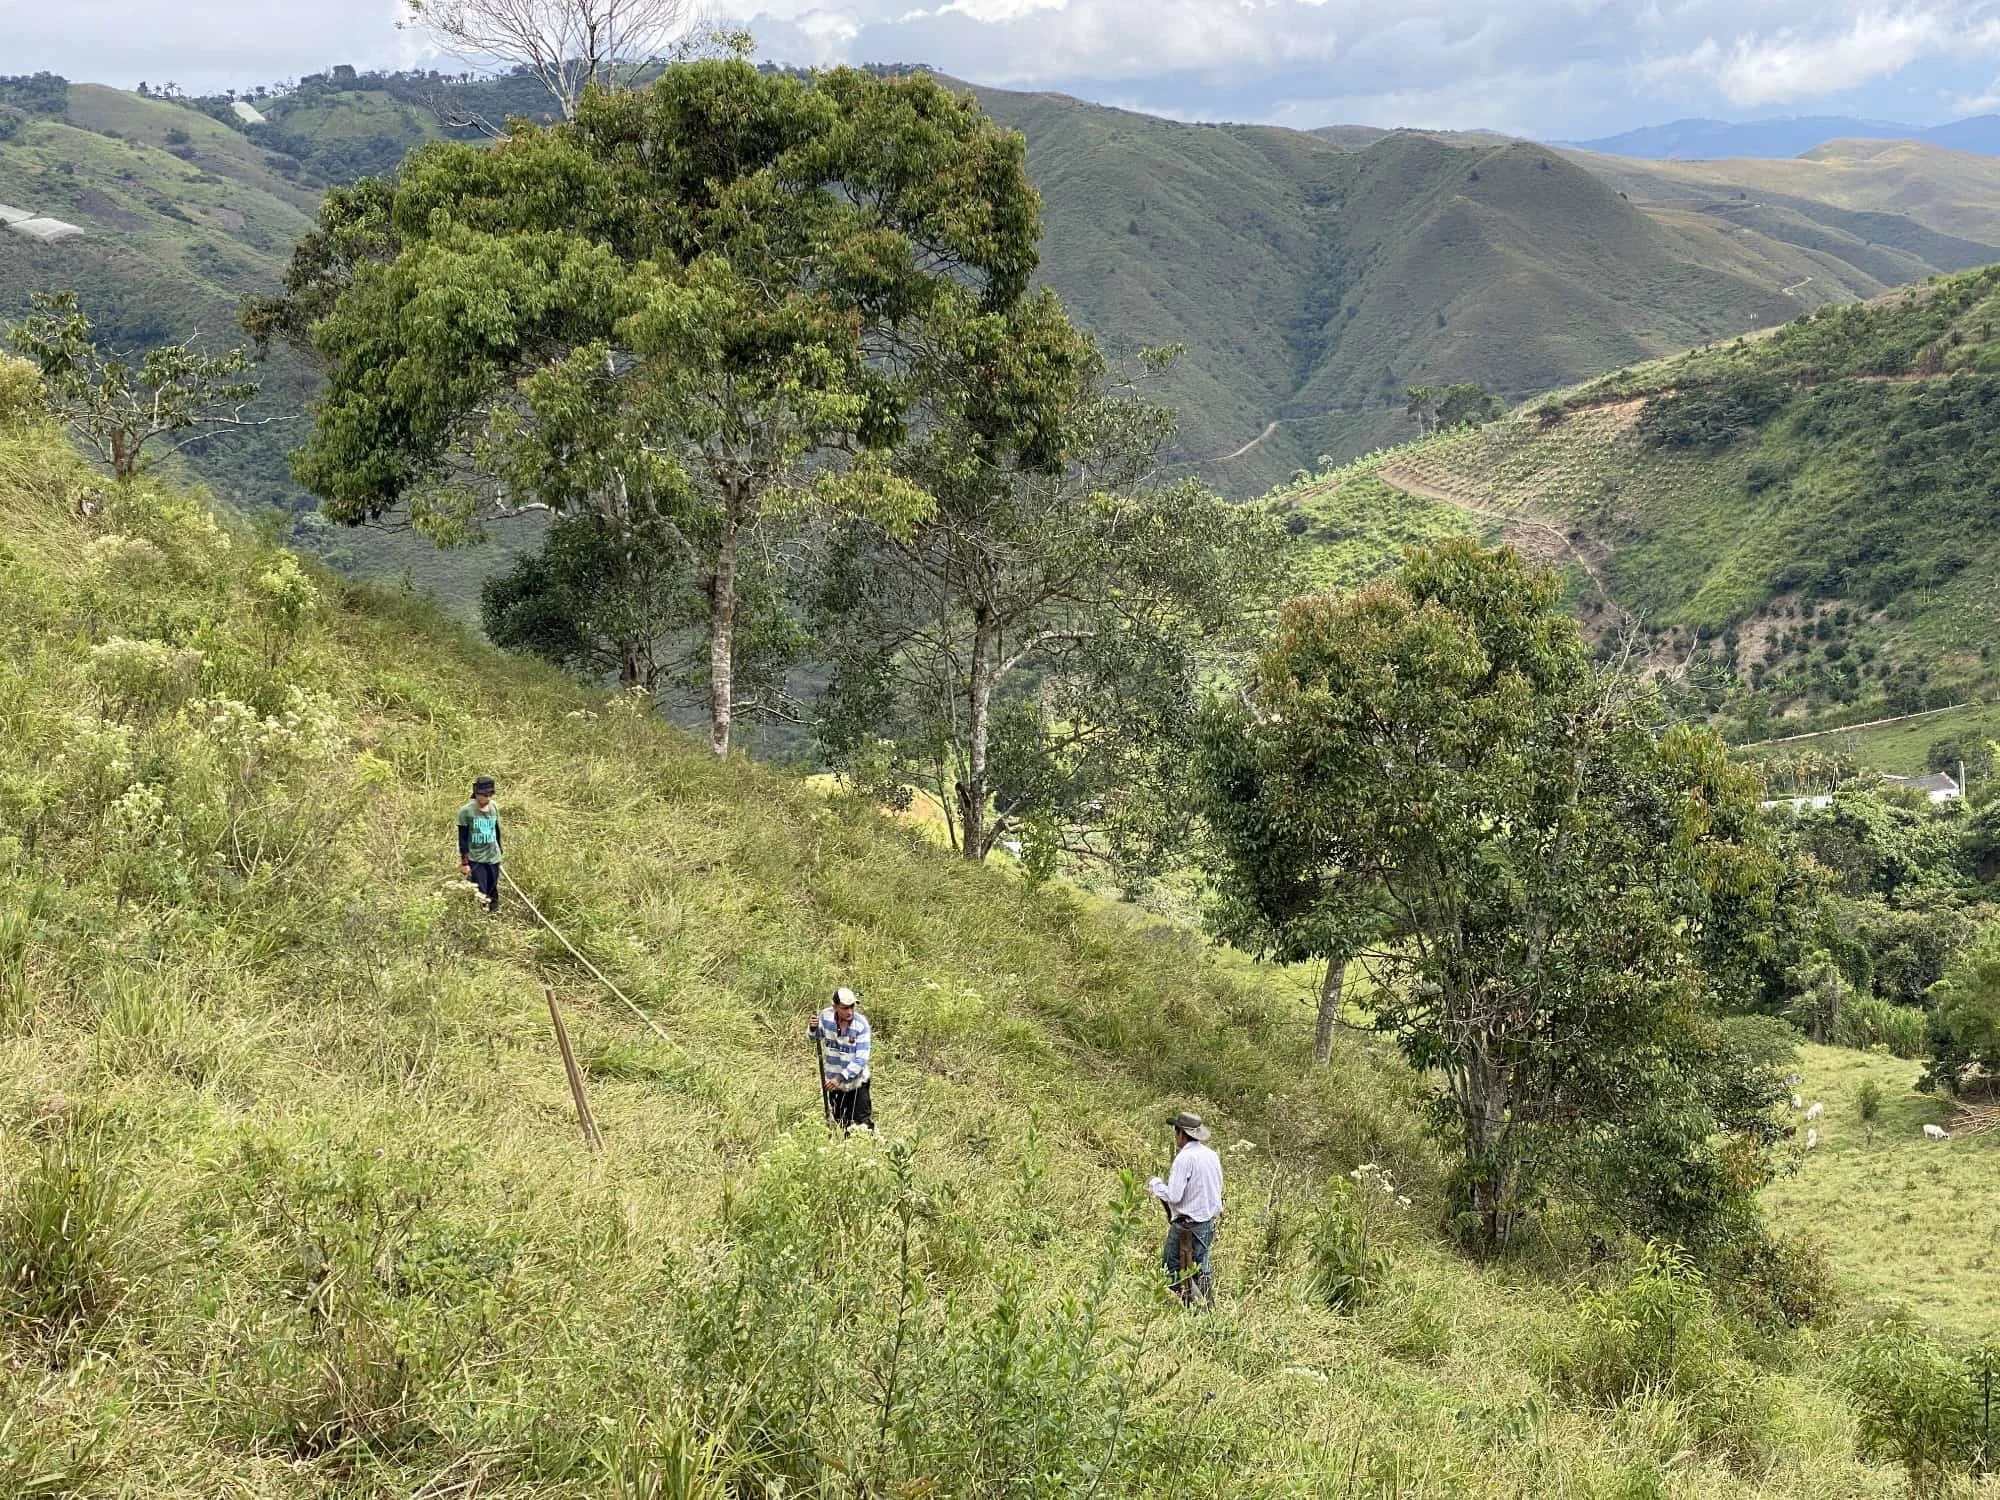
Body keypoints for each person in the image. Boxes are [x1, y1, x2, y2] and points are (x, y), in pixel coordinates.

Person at [1148, 1110, 1223, 1306]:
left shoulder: (1185, 1158)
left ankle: (1196, 1307)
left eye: (1176, 1132)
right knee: (1200, 1268)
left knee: (1171, 1268)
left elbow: (1174, 1196)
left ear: (1181, 1133)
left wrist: (1156, 1186)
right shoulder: (1211, 1155)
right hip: (1207, 1222)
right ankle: (1208, 1308)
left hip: (1187, 1225)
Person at [808, 986, 873, 1131]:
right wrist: (813, 1029)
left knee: (862, 1124)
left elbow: (861, 1059)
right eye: (844, 1008)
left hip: (857, 1082)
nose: (849, 1012)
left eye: (852, 1007)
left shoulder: (861, 1025)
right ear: (835, 1007)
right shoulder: (825, 1017)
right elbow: (815, 1038)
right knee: (842, 1123)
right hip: (834, 1083)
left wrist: (840, 1077)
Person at [456, 776, 503, 914]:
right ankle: (481, 915)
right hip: (476, 858)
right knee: (481, 891)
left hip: (493, 856)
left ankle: (494, 914)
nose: (487, 798)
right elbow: (462, 838)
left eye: (490, 795)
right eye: (484, 795)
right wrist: (465, 863)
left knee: (492, 888)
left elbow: (496, 830)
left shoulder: (494, 807)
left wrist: (499, 850)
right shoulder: (466, 811)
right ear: (476, 793)